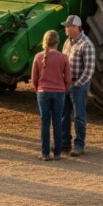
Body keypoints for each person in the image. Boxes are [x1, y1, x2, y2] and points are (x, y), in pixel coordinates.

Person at [31, 30, 71, 161]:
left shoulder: (38, 57)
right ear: (57, 42)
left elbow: (34, 78)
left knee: (45, 123)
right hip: (59, 92)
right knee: (57, 122)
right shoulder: (63, 58)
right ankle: (58, 153)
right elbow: (68, 79)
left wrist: (38, 90)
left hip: (43, 92)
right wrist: (64, 90)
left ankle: (45, 153)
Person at [60, 15, 95, 157]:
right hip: (66, 84)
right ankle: (64, 143)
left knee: (79, 116)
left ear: (76, 27)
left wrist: (77, 84)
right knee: (64, 115)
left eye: (68, 27)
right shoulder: (67, 42)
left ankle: (79, 145)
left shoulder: (86, 44)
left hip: (79, 85)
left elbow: (89, 70)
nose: (65, 29)